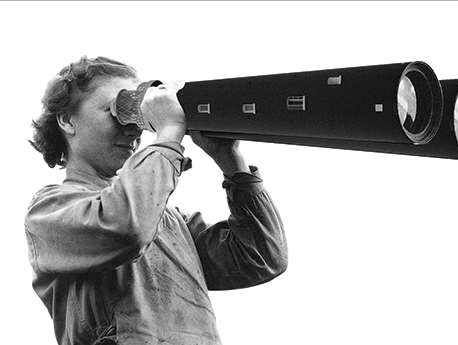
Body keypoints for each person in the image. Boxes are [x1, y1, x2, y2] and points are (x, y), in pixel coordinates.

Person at [25, 56, 288, 345]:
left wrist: (231, 161)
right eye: (115, 110)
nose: (133, 129)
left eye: (136, 114)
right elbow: (124, 226)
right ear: (66, 120)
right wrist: (168, 134)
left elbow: (262, 258)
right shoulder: (49, 212)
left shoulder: (171, 222)